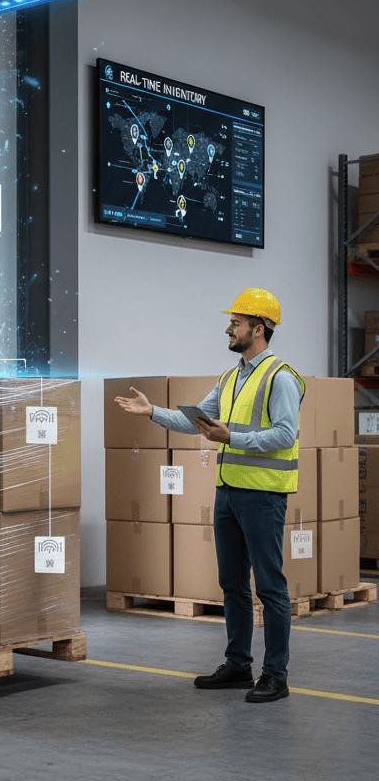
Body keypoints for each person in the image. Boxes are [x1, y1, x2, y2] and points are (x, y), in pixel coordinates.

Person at [114, 288, 304, 704]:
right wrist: (152, 412)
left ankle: (276, 675)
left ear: (258, 328)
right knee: (232, 583)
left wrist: (231, 437)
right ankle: (238, 665)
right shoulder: (230, 377)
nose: (228, 329)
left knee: (270, 587)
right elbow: (197, 421)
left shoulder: (281, 377)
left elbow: (285, 434)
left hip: (263, 496)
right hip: (228, 493)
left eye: (235, 323)